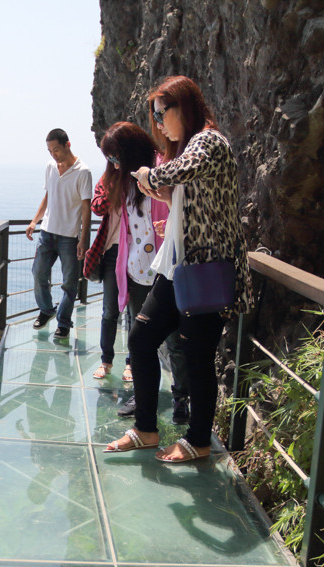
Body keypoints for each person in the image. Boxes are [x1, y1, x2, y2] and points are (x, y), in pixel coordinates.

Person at [105, 75, 253, 462]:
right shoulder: (192, 148)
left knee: (197, 354)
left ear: (182, 106)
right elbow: (192, 198)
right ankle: (146, 429)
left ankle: (198, 440)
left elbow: (175, 172)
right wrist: (168, 208)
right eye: (153, 115)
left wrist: (147, 177)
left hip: (204, 268)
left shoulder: (208, 141)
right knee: (141, 339)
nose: (157, 123)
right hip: (176, 266)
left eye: (161, 112)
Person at [86, 121, 189, 425]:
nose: (114, 163)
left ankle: (182, 398)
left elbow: (180, 209)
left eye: (116, 157)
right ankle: (145, 397)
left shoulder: (161, 169)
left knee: (172, 340)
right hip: (135, 272)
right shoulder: (125, 179)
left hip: (165, 271)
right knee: (140, 341)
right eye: (111, 159)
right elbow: (104, 207)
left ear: (130, 151)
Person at [26, 129, 93, 339]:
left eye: (56, 149)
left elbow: (86, 209)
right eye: (49, 150)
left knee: (69, 284)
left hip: (69, 237)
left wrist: (84, 240)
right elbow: (48, 196)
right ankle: (46, 310)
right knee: (38, 273)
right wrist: (34, 221)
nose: (53, 154)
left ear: (67, 145)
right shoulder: (50, 167)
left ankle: (63, 323)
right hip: (46, 233)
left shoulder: (83, 172)